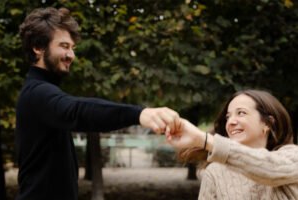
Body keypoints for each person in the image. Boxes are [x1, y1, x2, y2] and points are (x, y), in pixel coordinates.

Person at [15, 7, 181, 200]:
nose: (71, 55)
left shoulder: (41, 91)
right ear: (38, 47)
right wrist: (139, 114)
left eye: (72, 48)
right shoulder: (37, 93)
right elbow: (77, 111)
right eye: (64, 46)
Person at [166, 89, 298, 199]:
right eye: (228, 117)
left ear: (268, 123)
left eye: (241, 113)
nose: (231, 122)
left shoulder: (292, 156)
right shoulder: (215, 172)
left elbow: (269, 170)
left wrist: (204, 139)